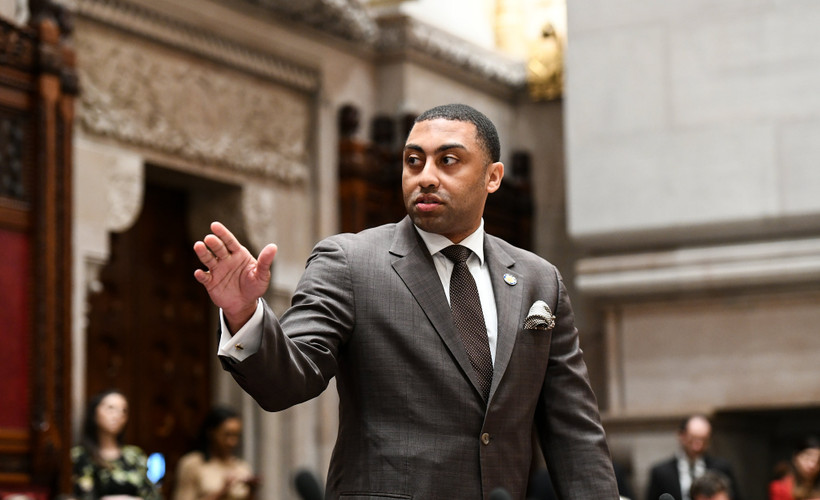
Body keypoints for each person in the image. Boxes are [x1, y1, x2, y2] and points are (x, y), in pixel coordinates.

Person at [193, 103, 619, 499]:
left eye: (447, 160)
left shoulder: (538, 281)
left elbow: (574, 429)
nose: (425, 176)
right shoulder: (350, 262)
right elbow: (286, 381)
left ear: (492, 176)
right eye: (413, 161)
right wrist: (243, 312)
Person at [71, 389, 161, 500]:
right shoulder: (79, 456)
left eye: (123, 411)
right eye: (110, 408)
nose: (117, 415)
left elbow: (152, 495)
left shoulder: (135, 456)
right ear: (94, 412)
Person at [645, 415, 741, 500]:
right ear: (681, 436)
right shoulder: (661, 473)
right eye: (693, 439)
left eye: (704, 440)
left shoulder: (722, 468)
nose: (698, 446)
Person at [172, 406, 258, 500]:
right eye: (227, 435)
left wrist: (252, 492)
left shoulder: (242, 467)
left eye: (236, 435)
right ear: (211, 432)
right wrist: (221, 493)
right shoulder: (192, 464)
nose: (232, 442)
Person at [769, 436, 820, 500]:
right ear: (796, 456)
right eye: (807, 458)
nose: (812, 465)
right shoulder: (781, 486)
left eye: (818, 461)